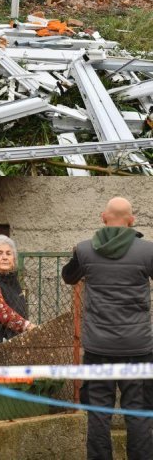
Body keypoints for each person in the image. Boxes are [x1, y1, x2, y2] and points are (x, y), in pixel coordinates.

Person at [62, 197, 153, 460]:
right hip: (138, 349)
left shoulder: (85, 250)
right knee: (138, 411)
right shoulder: (147, 252)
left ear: (103, 218)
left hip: (98, 348)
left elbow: (69, 277)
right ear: (132, 220)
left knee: (99, 413)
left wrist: (76, 255)